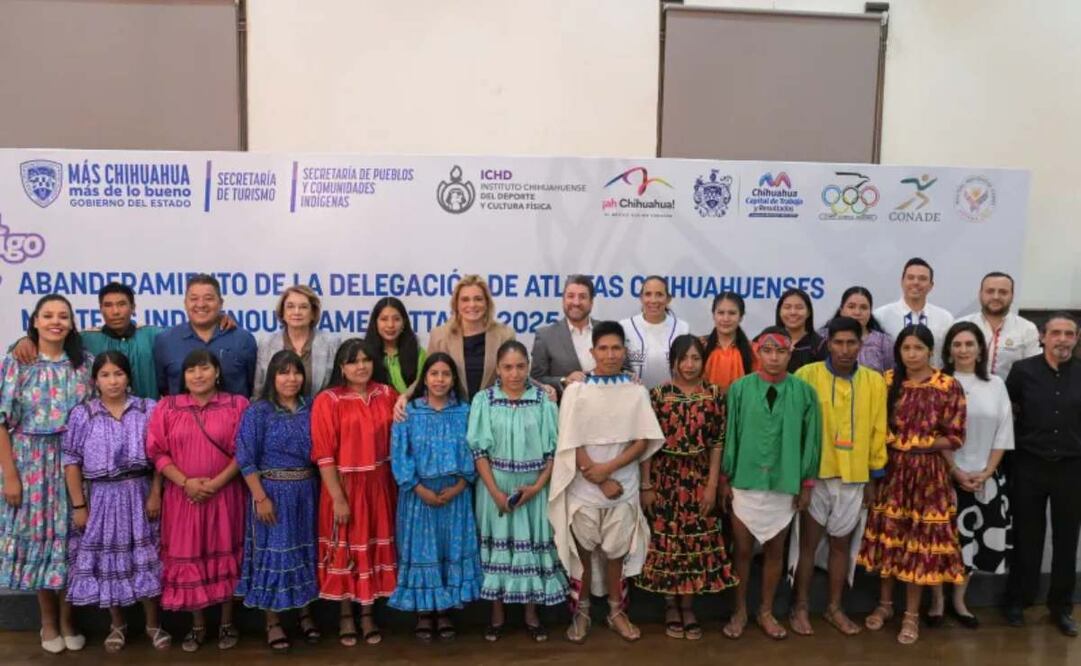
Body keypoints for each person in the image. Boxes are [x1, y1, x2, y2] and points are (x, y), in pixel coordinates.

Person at [549, 321, 665, 643]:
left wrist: (610, 470)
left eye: (616, 348)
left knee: (616, 552)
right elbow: (570, 440)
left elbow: (643, 440)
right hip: (585, 485)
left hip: (622, 484)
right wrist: (596, 476)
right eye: (604, 348)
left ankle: (616, 611)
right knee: (583, 550)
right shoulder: (576, 390)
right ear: (592, 351)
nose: (610, 355)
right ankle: (582, 612)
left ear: (625, 351)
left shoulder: (636, 391)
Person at [857, 325, 966, 645]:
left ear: (930, 350)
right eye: (906, 349)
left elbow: (956, 436)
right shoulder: (887, 381)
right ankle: (886, 605)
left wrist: (920, 444)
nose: (912, 355)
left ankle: (912, 615)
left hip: (929, 478)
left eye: (918, 348)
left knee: (919, 546)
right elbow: (875, 429)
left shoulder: (947, 385)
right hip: (891, 473)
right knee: (891, 540)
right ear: (899, 351)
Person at [0, 295, 93, 654]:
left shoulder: (82, 364)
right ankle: (48, 621)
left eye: (63, 316)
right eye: (48, 315)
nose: (56, 322)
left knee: (71, 542)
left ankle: (70, 619)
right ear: (35, 321)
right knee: (40, 539)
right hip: (30, 464)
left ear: (72, 323)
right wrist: (10, 475)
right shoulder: (17, 361)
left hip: (73, 465)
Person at [62, 351, 169, 652]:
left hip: (140, 493)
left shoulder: (147, 409)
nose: (113, 381)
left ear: (128, 377)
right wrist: (79, 506)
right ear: (95, 380)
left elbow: (161, 456)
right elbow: (71, 463)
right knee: (109, 562)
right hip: (101, 498)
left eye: (118, 374)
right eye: (105, 375)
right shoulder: (83, 414)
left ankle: (153, 624)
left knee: (146, 560)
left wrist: (156, 492)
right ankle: (117, 625)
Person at [719, 327, 820, 641]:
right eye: (768, 351)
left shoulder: (804, 392)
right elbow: (730, 435)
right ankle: (739, 610)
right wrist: (725, 478)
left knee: (776, 551)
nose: (774, 358)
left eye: (781, 352)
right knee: (743, 551)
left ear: (790, 354)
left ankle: (765, 611)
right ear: (757, 352)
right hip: (745, 482)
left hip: (784, 483)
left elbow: (811, 441)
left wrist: (805, 483)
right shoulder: (739, 389)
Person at [146, 349, 249, 652]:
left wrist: (216, 483)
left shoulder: (237, 405)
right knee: (191, 559)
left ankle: (228, 623)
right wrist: (185, 482)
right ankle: (198, 626)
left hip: (226, 496)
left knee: (225, 555)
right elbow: (157, 452)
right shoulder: (168, 407)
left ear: (217, 372)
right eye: (191, 370)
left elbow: (244, 450)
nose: (198, 375)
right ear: (183, 376)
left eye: (204, 369)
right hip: (183, 499)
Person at [791, 317, 887, 637]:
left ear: (861, 345)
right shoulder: (806, 376)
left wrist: (874, 478)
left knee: (841, 547)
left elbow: (877, 431)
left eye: (852, 343)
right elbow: (797, 431)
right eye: (839, 343)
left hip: (855, 475)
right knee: (808, 545)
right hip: (816, 475)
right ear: (828, 344)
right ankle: (800, 607)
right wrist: (801, 479)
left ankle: (834, 608)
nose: (845, 350)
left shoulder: (874, 382)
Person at [639, 335, 738, 640]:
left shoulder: (713, 395)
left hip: (697, 478)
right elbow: (647, 442)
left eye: (696, 358)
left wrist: (711, 485)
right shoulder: (657, 395)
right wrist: (646, 485)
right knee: (668, 542)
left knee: (695, 543)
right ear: (674, 362)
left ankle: (689, 606)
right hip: (665, 479)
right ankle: (671, 605)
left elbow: (718, 442)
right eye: (684, 358)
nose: (690, 364)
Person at [468, 341, 566, 642]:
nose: (514, 373)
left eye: (520, 366)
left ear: (528, 367)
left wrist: (537, 487)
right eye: (508, 367)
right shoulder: (484, 400)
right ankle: (496, 615)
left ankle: (531, 614)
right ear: (497, 369)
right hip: (494, 488)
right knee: (499, 548)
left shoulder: (543, 401)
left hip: (533, 488)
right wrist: (496, 492)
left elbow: (554, 451)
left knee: (531, 548)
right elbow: (478, 451)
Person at [311, 338, 399, 647]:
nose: (360, 366)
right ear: (341, 367)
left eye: (365, 359)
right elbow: (324, 454)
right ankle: (346, 615)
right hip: (344, 486)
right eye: (352, 361)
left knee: (372, 548)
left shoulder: (387, 395)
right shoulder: (328, 400)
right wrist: (337, 497)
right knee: (346, 548)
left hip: (380, 486)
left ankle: (368, 614)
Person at [389, 352, 481, 641]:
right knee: (423, 552)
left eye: (445, 374)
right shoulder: (408, 412)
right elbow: (399, 454)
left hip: (456, 496)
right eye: (434, 374)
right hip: (418, 496)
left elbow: (474, 452)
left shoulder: (466, 411)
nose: (439, 380)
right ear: (424, 379)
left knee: (448, 552)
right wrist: (418, 488)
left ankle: (445, 611)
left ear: (454, 379)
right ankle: (424, 613)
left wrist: (460, 485)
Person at [235, 350, 321, 652]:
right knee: (275, 557)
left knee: (304, 556)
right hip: (272, 494)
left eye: (296, 372)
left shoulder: (312, 407)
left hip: (307, 494)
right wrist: (260, 497)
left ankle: (306, 614)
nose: (291, 378)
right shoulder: (259, 411)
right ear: (272, 376)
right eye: (284, 372)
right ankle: (272, 622)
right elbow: (245, 458)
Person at [1003, 313, 1081, 637]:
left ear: (1076, 339)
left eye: (1069, 334)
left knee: (1066, 540)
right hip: (1029, 465)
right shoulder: (1022, 372)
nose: (1062, 339)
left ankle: (1060, 607)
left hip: (1071, 467)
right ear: (1042, 336)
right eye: (1056, 333)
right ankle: (1019, 601)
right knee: (1027, 537)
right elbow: (1008, 413)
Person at [937, 322, 1013, 629]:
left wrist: (987, 472)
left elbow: (1004, 431)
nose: (964, 350)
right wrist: (955, 470)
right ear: (949, 351)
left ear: (980, 349)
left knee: (971, 546)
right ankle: (938, 602)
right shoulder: (939, 383)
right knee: (941, 543)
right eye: (957, 344)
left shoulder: (995, 384)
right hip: (944, 477)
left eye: (970, 344)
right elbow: (933, 433)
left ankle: (959, 600)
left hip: (986, 478)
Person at [154, 274, 258, 396]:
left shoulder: (243, 340)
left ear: (220, 303)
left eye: (208, 298)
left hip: (236, 414)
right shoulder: (165, 341)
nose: (201, 304)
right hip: (181, 414)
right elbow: (162, 388)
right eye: (194, 299)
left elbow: (253, 386)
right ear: (185, 303)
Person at [428, 275, 515, 400]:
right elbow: (426, 376)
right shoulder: (439, 336)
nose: (472, 304)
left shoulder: (505, 335)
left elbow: (515, 374)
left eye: (478, 299)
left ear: (487, 303)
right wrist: (406, 396)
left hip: (493, 413)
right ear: (456, 304)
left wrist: (543, 387)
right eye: (465, 299)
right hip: (453, 412)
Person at [253, 285, 339, 400]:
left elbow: (338, 388)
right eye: (290, 306)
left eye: (303, 307)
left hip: (320, 413)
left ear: (313, 313)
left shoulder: (331, 343)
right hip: (277, 415)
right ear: (282, 312)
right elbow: (259, 389)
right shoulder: (267, 343)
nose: (297, 312)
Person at [958, 272, 1040, 381]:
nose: (996, 297)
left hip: (1010, 395)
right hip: (964, 393)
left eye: (1003, 292)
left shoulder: (1027, 329)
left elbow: (1032, 370)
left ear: (1012, 296)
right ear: (980, 294)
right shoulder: (960, 325)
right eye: (990, 291)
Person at [873, 258, 954, 365]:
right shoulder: (881, 316)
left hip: (933, 380)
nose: (916, 282)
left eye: (922, 279)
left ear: (931, 285)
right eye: (910, 278)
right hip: (893, 380)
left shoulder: (945, 318)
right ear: (902, 282)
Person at [531, 275, 599, 397]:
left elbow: (624, 369)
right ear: (563, 300)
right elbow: (535, 380)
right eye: (571, 296)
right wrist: (563, 381)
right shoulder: (545, 336)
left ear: (591, 302)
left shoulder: (606, 331)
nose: (576, 302)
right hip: (564, 411)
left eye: (582, 297)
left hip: (604, 410)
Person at [620, 276, 690, 389]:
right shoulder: (625, 326)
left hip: (672, 401)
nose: (653, 300)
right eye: (648, 294)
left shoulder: (682, 328)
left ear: (668, 299)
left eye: (659, 294)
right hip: (634, 399)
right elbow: (619, 367)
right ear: (641, 298)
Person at [818, 286, 894, 373]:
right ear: (841, 310)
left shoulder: (883, 342)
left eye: (864, 308)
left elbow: (890, 374)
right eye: (851, 307)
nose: (857, 312)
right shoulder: (823, 337)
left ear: (870, 312)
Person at [367, 296, 426, 395]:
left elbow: (425, 389)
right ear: (375, 323)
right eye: (384, 319)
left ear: (404, 323)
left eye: (396, 319)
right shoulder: (365, 354)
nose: (390, 325)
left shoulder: (419, 354)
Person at [702, 291, 758, 392]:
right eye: (721, 313)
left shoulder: (754, 351)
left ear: (741, 317)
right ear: (713, 315)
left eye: (732, 313)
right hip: (707, 406)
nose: (726, 318)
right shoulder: (701, 347)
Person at [776, 288, 825, 372]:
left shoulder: (820, 346)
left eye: (799, 307)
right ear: (779, 311)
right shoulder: (767, 340)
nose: (793, 312)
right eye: (787, 307)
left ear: (808, 312)